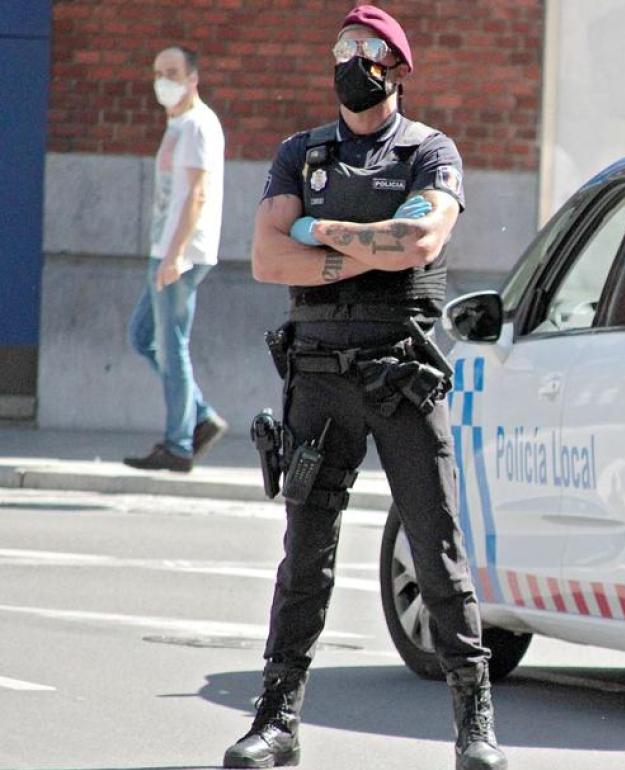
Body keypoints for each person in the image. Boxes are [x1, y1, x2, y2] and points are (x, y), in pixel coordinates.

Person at [223, 6, 504, 769]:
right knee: (304, 557)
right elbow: (265, 259)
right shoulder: (301, 154)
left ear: (396, 67)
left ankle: (473, 725)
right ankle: (277, 722)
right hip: (317, 375)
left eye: (366, 49)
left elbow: (420, 239)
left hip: (400, 373)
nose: (349, 59)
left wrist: (317, 232)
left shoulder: (427, 151)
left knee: (435, 543)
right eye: (341, 47)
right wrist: (360, 247)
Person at [124, 46, 228, 473]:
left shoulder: (198, 126)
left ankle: (179, 444)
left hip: (179, 253)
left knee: (172, 345)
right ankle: (199, 417)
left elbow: (198, 194)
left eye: (172, 72)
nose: (162, 80)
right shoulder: (180, 124)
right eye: (157, 72)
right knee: (143, 336)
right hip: (164, 250)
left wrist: (176, 254)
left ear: (192, 80)